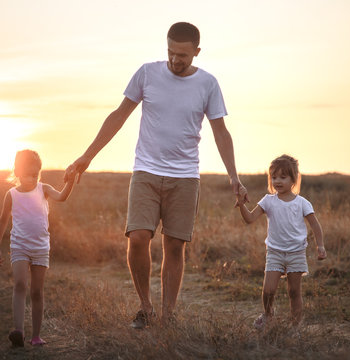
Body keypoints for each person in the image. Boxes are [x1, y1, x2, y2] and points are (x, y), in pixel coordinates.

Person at [64, 22, 248, 329]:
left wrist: (234, 177)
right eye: (171, 52)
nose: (176, 60)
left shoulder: (208, 84)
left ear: (197, 53)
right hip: (146, 171)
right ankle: (146, 308)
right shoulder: (147, 74)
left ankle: (167, 315)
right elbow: (119, 115)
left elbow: (221, 133)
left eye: (183, 56)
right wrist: (87, 156)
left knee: (175, 246)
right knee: (138, 238)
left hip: (185, 177)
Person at [0, 150, 75, 347]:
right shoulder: (11, 194)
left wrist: (70, 181)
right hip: (19, 245)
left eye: (35, 173)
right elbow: (3, 220)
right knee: (20, 285)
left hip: (40, 248)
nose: (32, 178)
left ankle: (36, 336)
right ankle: (18, 332)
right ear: (17, 172)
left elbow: (62, 196)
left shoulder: (43, 189)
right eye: (28, 173)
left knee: (37, 291)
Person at [236, 154, 327, 329]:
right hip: (275, 252)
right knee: (268, 291)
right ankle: (268, 315)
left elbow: (315, 225)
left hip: (296, 253)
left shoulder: (302, 203)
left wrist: (320, 245)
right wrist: (241, 205)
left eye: (283, 177)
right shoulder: (268, 201)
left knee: (294, 292)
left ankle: (295, 327)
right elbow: (250, 218)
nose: (277, 181)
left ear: (293, 179)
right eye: (274, 177)